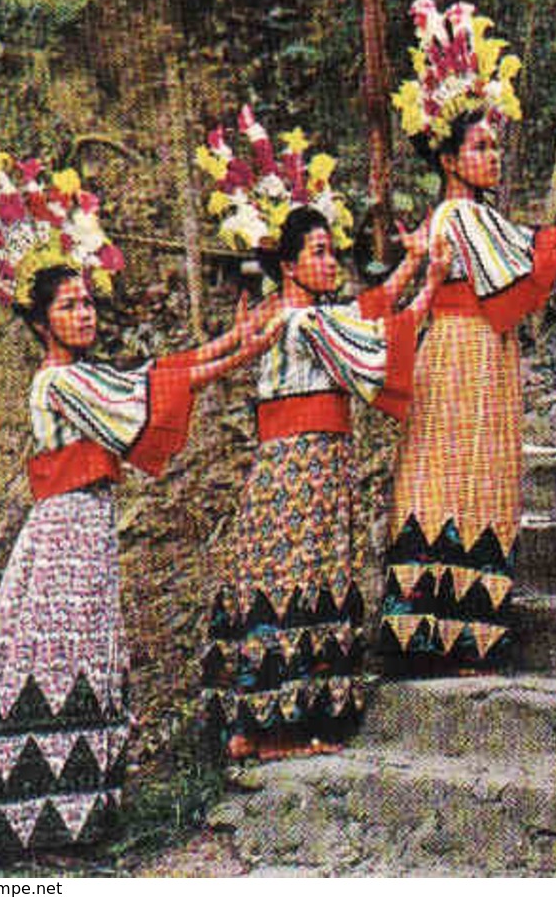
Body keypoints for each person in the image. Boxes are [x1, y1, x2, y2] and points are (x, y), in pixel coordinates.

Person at [0, 157, 272, 856]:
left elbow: (142, 381)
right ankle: (28, 821)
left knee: (83, 654)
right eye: (68, 306)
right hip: (63, 531)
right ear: (40, 321)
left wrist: (232, 344)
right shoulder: (59, 383)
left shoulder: (82, 375)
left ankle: (70, 813)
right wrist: (235, 354)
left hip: (84, 525)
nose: (83, 313)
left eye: (88, 302)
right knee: (57, 660)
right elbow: (142, 396)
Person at [382, 0, 556, 674]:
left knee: (479, 478)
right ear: (449, 158)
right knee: (450, 480)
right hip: (458, 352)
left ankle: (460, 630)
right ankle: (439, 632)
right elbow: (542, 257)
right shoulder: (456, 219)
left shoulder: (476, 219)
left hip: (482, 353)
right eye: (479, 147)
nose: (491, 157)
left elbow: (537, 246)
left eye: (493, 145)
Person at [201, 190, 446, 761]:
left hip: (297, 462)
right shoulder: (305, 320)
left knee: (282, 576)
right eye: (317, 253)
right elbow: (378, 340)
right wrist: (430, 285)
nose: (331, 262)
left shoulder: (286, 314)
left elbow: (366, 309)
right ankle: (277, 732)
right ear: (288, 266)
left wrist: (409, 264)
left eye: (333, 252)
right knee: (299, 576)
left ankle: (252, 722)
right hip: (303, 465)